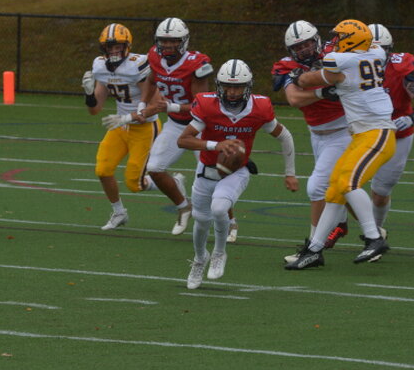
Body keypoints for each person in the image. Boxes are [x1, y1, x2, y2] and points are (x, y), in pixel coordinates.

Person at [285, 19, 396, 270]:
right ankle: (314, 249)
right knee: (334, 188)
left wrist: (297, 76)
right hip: (362, 134)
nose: (333, 42)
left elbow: (306, 81)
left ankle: (374, 237)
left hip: (376, 133)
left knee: (347, 183)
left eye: (339, 37)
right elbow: (370, 47)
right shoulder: (375, 53)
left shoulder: (341, 63)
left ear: (351, 41)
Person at [177, 59, 298, 289]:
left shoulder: (260, 108)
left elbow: (285, 136)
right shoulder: (207, 104)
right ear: (219, 86)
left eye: (238, 87)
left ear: (248, 87)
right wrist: (217, 145)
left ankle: (219, 252)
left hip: (236, 171)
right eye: (227, 86)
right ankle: (200, 258)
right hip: (206, 171)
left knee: (219, 209)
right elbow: (183, 140)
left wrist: (290, 173)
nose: (232, 92)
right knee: (201, 221)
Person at [272, 20, 352, 262]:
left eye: (307, 44)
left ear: (316, 40)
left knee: (317, 187)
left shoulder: (336, 53)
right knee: (344, 187)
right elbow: (294, 99)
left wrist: (316, 85)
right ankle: (373, 233)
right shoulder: (286, 65)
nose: (305, 49)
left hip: (344, 130)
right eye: (298, 47)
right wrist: (322, 91)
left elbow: (345, 77)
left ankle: (313, 248)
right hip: (317, 132)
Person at [81, 23, 162, 230]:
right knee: (103, 169)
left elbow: (155, 105)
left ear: (127, 46)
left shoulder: (138, 65)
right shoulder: (100, 66)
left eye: (118, 46)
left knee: (134, 184)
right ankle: (119, 212)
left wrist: (129, 117)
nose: (114, 50)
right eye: (109, 47)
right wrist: (89, 94)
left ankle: (168, 183)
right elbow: (95, 109)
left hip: (145, 128)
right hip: (120, 126)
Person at [138, 17, 214, 235]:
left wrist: (170, 107)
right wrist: (143, 104)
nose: (168, 45)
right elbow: (151, 80)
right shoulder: (155, 56)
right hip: (175, 124)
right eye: (164, 41)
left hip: (200, 127)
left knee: (211, 177)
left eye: (173, 41)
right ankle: (183, 206)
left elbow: (202, 106)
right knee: (154, 168)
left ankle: (230, 222)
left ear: (184, 41)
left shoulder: (195, 64)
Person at [364, 24, 414, 233]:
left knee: (380, 192)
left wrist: (413, 118)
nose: (377, 55)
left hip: (396, 135)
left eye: (382, 50)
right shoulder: (351, 67)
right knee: (343, 184)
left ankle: (376, 231)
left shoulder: (400, 67)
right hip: (363, 132)